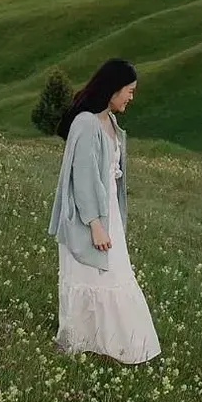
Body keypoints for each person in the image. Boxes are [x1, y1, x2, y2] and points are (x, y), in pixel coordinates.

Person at [48, 58, 160, 364]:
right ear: (113, 88)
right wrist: (95, 224)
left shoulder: (108, 121)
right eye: (129, 91)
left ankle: (109, 342)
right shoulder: (86, 123)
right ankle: (87, 340)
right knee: (92, 272)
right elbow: (83, 178)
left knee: (112, 273)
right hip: (90, 216)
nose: (131, 97)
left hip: (108, 212)